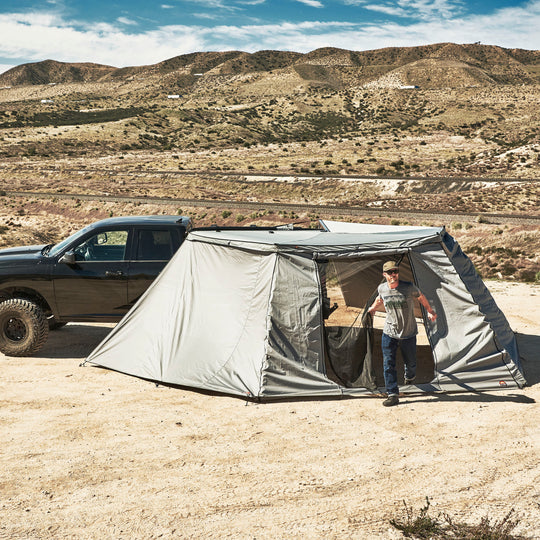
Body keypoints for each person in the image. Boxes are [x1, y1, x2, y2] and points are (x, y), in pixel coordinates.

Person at [368, 261, 437, 407]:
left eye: (395, 271)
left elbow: (421, 297)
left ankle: (409, 376)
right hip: (389, 332)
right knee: (388, 363)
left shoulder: (408, 287)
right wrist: (373, 308)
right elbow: (379, 299)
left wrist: (430, 311)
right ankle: (392, 393)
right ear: (384, 275)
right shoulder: (382, 288)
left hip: (408, 332)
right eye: (390, 272)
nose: (394, 275)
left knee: (411, 362)